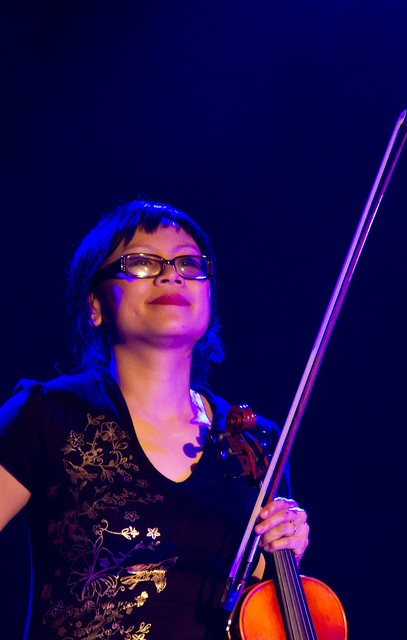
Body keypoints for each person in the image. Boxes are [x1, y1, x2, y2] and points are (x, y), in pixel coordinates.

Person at [0, 200, 309, 639]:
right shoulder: (46, 415)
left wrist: (280, 559)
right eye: (142, 262)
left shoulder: (257, 441)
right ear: (95, 305)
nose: (171, 274)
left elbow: (251, 613)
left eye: (189, 263)